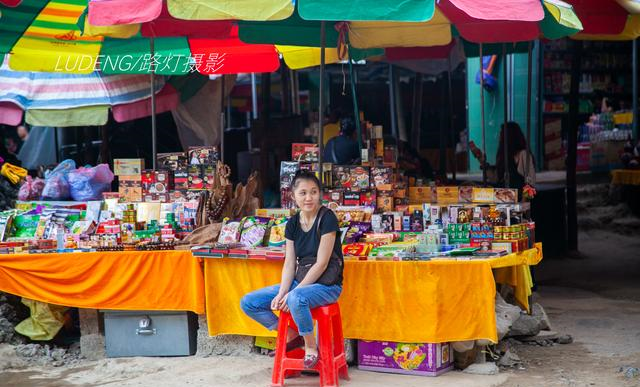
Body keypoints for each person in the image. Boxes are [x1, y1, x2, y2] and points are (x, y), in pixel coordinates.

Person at [240, 170, 344, 369]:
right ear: (293, 196)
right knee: (249, 302)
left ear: (319, 193)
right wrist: (282, 293)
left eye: (313, 192)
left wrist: (294, 293)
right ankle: (291, 336)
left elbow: (321, 263)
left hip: (327, 285)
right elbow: (289, 263)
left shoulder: (328, 218)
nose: (309, 197)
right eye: (303, 193)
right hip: (301, 280)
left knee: (296, 299)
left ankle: (311, 346)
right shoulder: (293, 223)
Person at [495, 121, 536, 190]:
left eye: (501, 134)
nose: (499, 137)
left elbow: (531, 181)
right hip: (504, 196)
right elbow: (497, 178)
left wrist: (524, 199)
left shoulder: (523, 155)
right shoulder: (505, 156)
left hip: (518, 197)